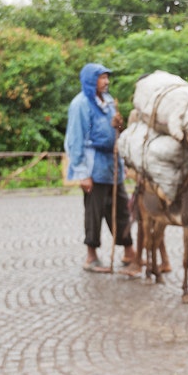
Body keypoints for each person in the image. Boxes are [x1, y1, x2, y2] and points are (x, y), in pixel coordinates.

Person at [65, 63, 136, 273]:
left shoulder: (108, 101)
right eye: (102, 78)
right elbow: (75, 139)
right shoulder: (80, 104)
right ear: (90, 80)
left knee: (123, 208)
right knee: (94, 213)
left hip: (112, 165)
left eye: (107, 77)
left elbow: (115, 131)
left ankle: (129, 253)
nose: (106, 82)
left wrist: (119, 125)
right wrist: (82, 173)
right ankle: (91, 257)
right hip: (93, 164)